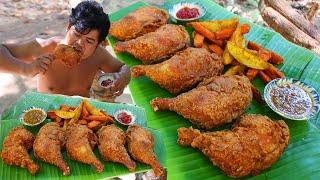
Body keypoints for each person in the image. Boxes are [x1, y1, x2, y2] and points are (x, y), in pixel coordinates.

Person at [0, 1, 130, 101]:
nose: (79, 44)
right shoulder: (45, 48)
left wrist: (123, 77)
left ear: (98, 45)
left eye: (89, 41)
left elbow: (123, 67)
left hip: (80, 115)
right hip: (47, 115)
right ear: (68, 27)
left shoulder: (99, 56)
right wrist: (25, 69)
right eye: (77, 34)